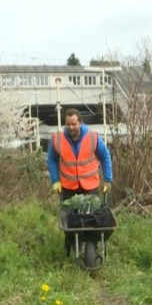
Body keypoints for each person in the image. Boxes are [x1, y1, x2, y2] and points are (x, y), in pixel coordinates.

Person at [47, 108, 113, 255]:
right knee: (70, 218)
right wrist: (55, 180)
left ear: (81, 123)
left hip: (90, 185)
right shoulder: (57, 139)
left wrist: (108, 180)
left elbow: (105, 157)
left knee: (92, 217)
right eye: (68, 124)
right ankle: (71, 243)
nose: (70, 127)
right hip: (68, 185)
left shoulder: (93, 138)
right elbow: (51, 159)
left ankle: (92, 244)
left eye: (74, 124)